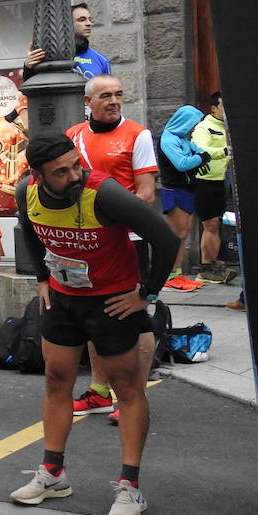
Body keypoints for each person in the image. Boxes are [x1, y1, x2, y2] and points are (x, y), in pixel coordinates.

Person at [10, 133, 179, 515]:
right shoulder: (26, 193)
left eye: (76, 165)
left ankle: (129, 486)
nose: (75, 176)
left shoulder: (104, 193)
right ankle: (53, 474)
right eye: (62, 171)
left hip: (112, 303)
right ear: (37, 175)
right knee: (55, 380)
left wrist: (146, 294)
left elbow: (166, 237)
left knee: (127, 389)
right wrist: (41, 278)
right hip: (64, 300)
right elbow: (30, 229)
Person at [64, 75, 160, 420]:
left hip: (128, 241)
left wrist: (107, 223)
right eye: (106, 96)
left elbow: (146, 194)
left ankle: (135, 396)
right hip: (89, 243)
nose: (114, 101)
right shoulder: (73, 136)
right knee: (94, 314)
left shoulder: (138, 135)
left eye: (119, 94)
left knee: (136, 315)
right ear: (88, 102)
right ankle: (100, 392)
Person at [157, 104, 210, 282]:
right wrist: (200, 158)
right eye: (192, 124)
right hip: (175, 190)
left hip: (186, 189)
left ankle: (176, 271)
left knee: (184, 233)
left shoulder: (182, 139)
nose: (194, 127)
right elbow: (182, 163)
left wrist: (199, 156)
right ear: (184, 122)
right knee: (176, 234)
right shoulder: (168, 139)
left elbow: (198, 152)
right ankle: (171, 272)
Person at [191, 91, 231, 282]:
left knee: (217, 224)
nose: (226, 110)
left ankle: (215, 263)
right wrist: (224, 151)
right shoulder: (203, 127)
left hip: (219, 180)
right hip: (203, 181)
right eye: (224, 105)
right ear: (214, 108)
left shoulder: (225, 127)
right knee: (210, 224)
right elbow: (202, 150)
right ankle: (205, 267)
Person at [24, 3, 112, 78]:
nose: (89, 24)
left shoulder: (101, 60)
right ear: (67, 23)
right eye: (82, 20)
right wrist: (28, 68)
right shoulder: (50, 56)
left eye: (90, 19)